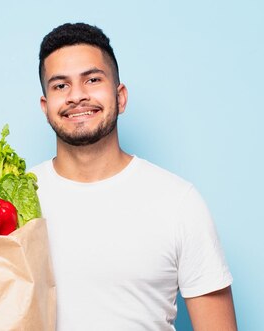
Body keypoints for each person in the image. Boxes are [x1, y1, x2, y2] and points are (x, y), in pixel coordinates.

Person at [31, 22, 237, 330]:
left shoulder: (178, 202)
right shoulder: (14, 199)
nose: (77, 96)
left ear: (121, 97)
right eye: (61, 85)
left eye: (92, 79)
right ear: (46, 107)